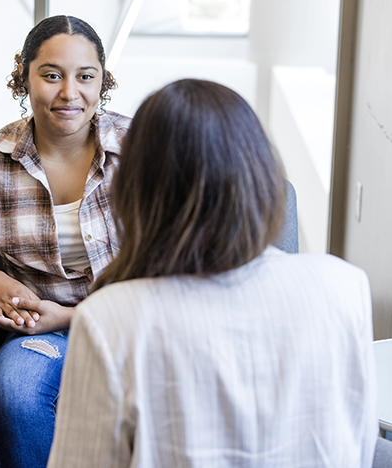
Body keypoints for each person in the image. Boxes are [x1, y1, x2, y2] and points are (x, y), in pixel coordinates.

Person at [47, 79, 378, 468]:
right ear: (261, 176)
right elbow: (358, 439)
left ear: (137, 191)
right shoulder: (343, 284)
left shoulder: (112, 317)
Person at [0, 15, 130, 468]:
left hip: (140, 327)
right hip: (44, 332)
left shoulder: (146, 150)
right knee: (15, 387)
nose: (69, 93)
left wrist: (71, 316)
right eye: (51, 75)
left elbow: (187, 269)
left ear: (103, 81)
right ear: (23, 77)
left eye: (86, 76)